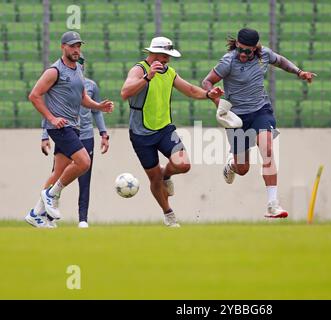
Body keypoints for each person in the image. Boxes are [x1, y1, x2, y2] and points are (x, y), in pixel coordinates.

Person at [201, 28, 316, 218]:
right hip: (237, 118)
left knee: (268, 149)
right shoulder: (228, 61)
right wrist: (215, 97)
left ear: (255, 48)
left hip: (261, 111)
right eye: (241, 50)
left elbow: (280, 61)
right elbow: (207, 82)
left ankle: (272, 204)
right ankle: (232, 164)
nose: (244, 54)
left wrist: (299, 72)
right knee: (243, 168)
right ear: (236, 45)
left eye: (248, 51)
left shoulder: (264, 55)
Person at [120, 36, 223, 227]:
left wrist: (208, 95)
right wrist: (147, 77)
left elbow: (191, 90)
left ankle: (166, 174)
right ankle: (168, 214)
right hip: (141, 135)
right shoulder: (139, 69)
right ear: (154, 53)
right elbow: (125, 93)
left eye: (169, 56)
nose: (168, 59)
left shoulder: (169, 72)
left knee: (183, 165)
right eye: (165, 55)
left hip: (165, 129)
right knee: (154, 178)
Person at [24, 31, 114, 228]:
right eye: (72, 46)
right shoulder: (54, 71)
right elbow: (34, 95)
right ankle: (51, 194)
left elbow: (83, 98)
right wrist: (51, 119)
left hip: (74, 127)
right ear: (63, 47)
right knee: (84, 162)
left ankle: (36, 214)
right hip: (61, 127)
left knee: (58, 172)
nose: (76, 49)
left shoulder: (77, 69)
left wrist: (99, 107)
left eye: (78, 46)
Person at [40, 54, 110, 228]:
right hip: (66, 132)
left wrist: (103, 133)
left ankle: (83, 220)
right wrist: (44, 134)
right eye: (75, 61)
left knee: (84, 178)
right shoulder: (61, 80)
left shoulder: (90, 85)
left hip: (85, 134)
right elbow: (48, 106)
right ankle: (44, 214)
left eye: (81, 62)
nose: (78, 64)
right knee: (58, 173)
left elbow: (96, 111)